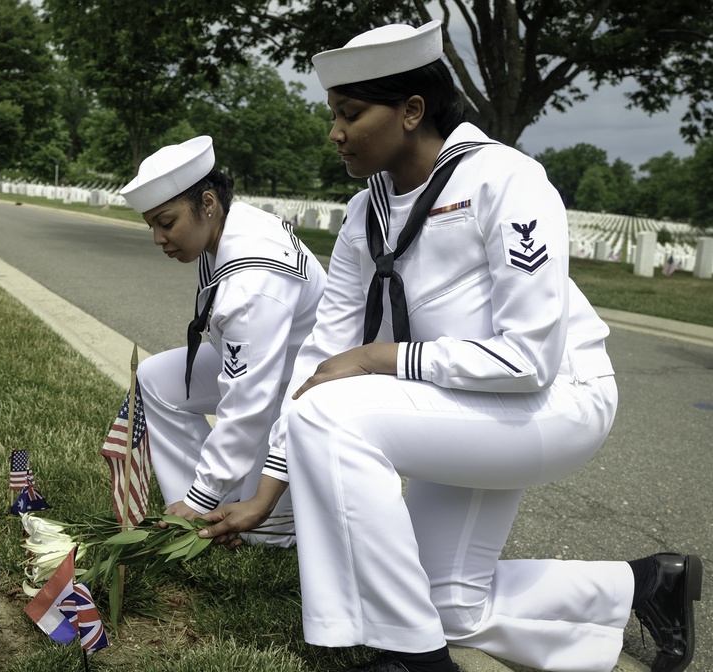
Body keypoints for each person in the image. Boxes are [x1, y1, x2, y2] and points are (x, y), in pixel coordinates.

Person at [198, 21, 702, 672]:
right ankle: (643, 586)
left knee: (335, 416)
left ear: (412, 111)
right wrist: (268, 488)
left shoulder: (505, 181)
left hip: (555, 400)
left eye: (350, 114)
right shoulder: (364, 214)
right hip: (461, 400)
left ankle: (412, 658)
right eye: (334, 114)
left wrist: (385, 358)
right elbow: (323, 355)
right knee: (449, 603)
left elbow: (528, 360)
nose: (335, 132)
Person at [118, 136, 326, 546]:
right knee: (156, 379)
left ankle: (213, 512)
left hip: (301, 395)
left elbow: (248, 401)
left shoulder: (251, 285)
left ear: (208, 203)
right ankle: (198, 512)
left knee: (265, 537)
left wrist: (208, 492)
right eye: (153, 226)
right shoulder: (230, 223)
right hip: (273, 370)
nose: (159, 238)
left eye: (167, 222)